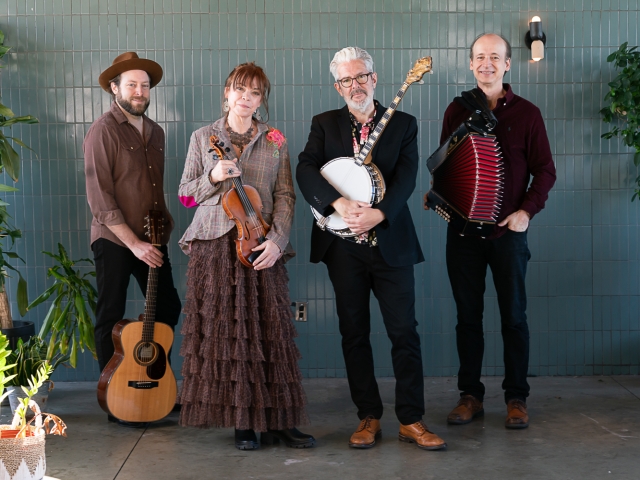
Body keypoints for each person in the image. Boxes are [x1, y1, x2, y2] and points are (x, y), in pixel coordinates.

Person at [297, 47, 446, 451]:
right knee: (353, 332)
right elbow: (305, 168)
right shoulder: (324, 124)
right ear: (338, 87)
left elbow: (407, 176)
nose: (355, 85)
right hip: (343, 249)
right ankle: (368, 415)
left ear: (374, 78)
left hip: (389, 243)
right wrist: (337, 204)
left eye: (361, 76)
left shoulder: (404, 123)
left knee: (404, 332)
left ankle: (411, 419)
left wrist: (379, 214)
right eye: (346, 80)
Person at [177, 62, 314, 451]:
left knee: (271, 332)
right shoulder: (203, 137)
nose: (246, 98)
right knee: (229, 335)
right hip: (214, 245)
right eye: (240, 89)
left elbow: (285, 195)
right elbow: (186, 196)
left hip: (259, 241)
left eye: (255, 93)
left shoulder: (274, 139)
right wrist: (213, 177)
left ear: (261, 100)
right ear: (227, 92)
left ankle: (277, 421)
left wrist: (277, 239)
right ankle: (243, 422)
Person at [426, 33, 556, 429]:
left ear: (507, 64)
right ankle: (471, 396)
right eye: (480, 57)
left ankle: (517, 398)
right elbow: (446, 165)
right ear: (470, 64)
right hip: (463, 235)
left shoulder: (528, 114)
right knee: (468, 318)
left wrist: (526, 212)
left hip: (508, 236)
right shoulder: (456, 110)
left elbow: (545, 171)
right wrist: (438, 196)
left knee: (514, 317)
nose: (487, 63)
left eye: (495, 57)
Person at [84, 52, 182, 426]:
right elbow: (101, 199)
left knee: (167, 308)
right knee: (109, 313)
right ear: (115, 88)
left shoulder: (156, 132)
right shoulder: (102, 131)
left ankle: (156, 383)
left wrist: (155, 237)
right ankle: (114, 396)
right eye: (131, 85)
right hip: (114, 239)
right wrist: (133, 244)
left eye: (144, 85)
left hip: (152, 237)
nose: (139, 91)